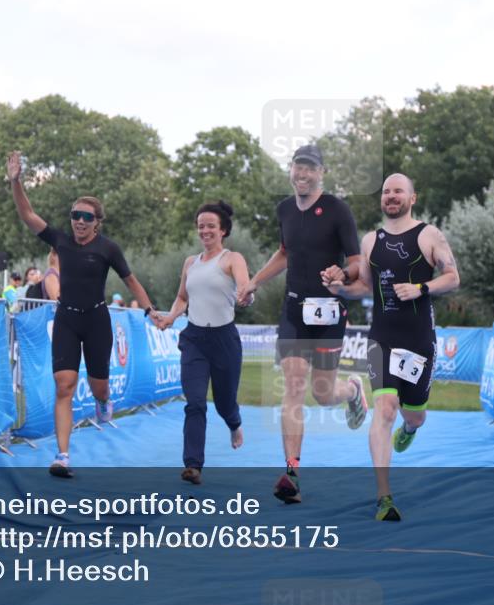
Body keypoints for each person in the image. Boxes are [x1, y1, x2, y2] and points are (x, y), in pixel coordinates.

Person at [7, 150, 155, 478]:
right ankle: (62, 455)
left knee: (98, 387)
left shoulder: (108, 248)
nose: (80, 221)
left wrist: (148, 310)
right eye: (76, 215)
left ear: (97, 222)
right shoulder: (60, 240)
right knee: (64, 385)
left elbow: (131, 281)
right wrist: (16, 181)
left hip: (97, 320)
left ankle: (104, 402)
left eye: (87, 217)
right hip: (67, 320)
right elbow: (28, 214)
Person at [236, 144, 367, 505]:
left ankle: (353, 390)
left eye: (311, 168)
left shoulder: (338, 210)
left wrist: (343, 272)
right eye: (298, 167)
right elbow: (284, 252)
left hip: (328, 314)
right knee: (293, 386)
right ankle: (291, 472)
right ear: (291, 169)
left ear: (321, 173)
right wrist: (254, 282)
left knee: (323, 394)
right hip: (294, 311)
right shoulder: (284, 210)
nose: (303, 174)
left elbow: (357, 262)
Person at [324, 173, 460, 521]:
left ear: (412, 198)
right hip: (382, 337)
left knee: (413, 413)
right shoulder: (372, 240)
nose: (391, 196)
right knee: (385, 408)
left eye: (398, 191)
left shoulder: (429, 234)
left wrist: (421, 288)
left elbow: (452, 276)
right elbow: (364, 287)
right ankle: (384, 497)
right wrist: (340, 288)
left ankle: (411, 428)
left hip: (418, 340)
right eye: (386, 191)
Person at [156, 201, 251, 485]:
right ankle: (193, 464)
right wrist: (172, 316)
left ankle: (234, 424)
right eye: (201, 226)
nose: (205, 230)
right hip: (195, 339)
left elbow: (244, 285)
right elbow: (183, 297)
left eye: (211, 225)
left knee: (223, 403)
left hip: (224, 340)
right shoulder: (190, 263)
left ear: (222, 230)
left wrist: (246, 294)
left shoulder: (232, 258)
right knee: (195, 402)